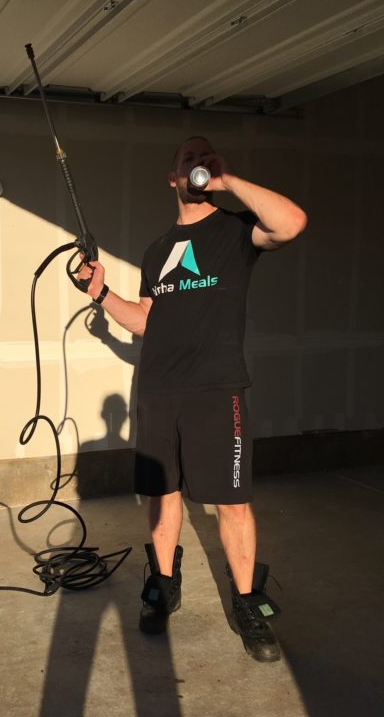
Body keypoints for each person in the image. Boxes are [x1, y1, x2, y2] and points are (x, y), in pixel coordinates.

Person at [78, 136, 307, 663]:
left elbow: (291, 222)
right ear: (172, 178)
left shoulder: (235, 229)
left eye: (207, 159)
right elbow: (145, 321)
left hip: (216, 388)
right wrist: (101, 295)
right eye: (190, 160)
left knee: (231, 500)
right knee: (162, 496)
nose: (199, 166)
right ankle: (162, 585)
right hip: (159, 390)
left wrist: (228, 181)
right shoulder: (158, 251)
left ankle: (247, 602)